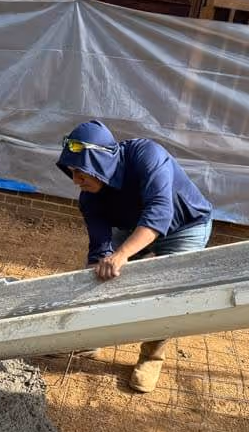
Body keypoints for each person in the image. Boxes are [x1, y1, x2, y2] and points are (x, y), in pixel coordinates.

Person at [56, 120, 214, 393]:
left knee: (168, 292)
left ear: (101, 163)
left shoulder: (147, 155)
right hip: (133, 226)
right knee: (100, 276)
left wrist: (122, 255)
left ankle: (152, 356)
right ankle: (90, 338)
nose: (76, 180)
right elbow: (100, 247)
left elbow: (159, 212)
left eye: (82, 172)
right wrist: (101, 269)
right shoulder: (89, 197)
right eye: (72, 172)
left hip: (185, 226)